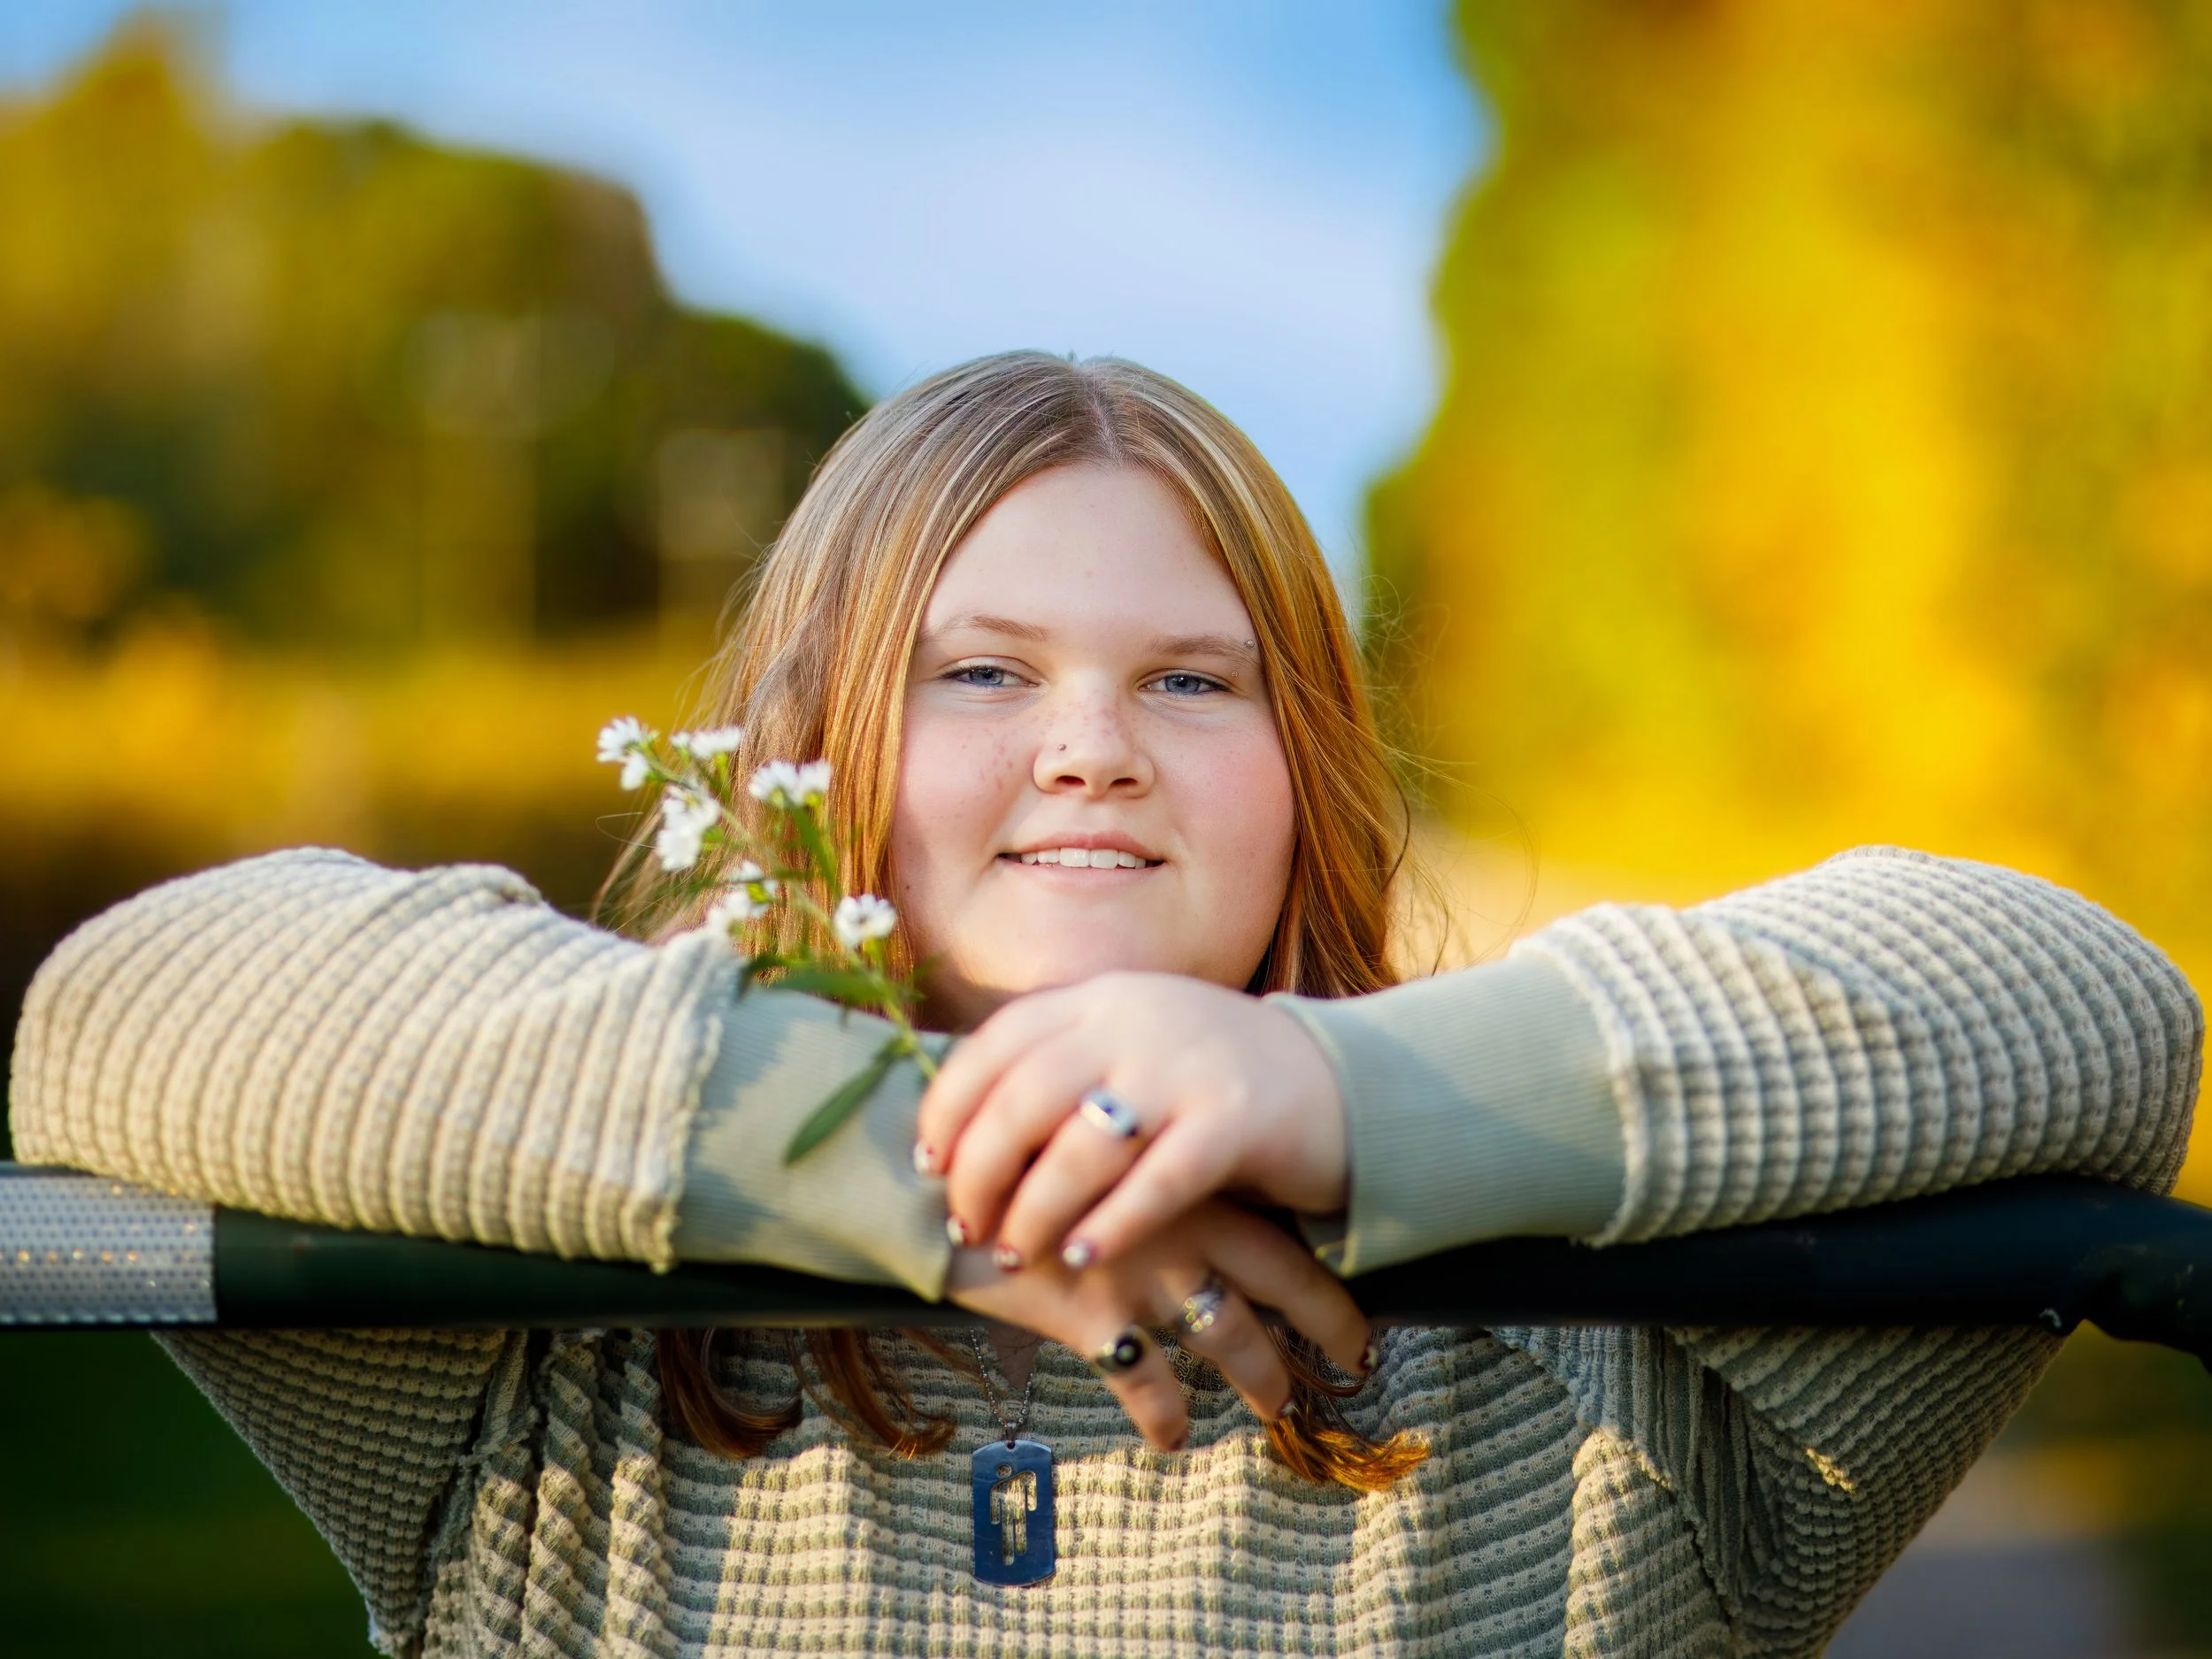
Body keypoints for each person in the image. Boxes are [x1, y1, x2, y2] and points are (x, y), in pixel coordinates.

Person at [10, 351, 2200, 1659]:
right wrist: (916, 1165)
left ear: (1305, 771)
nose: (1089, 746)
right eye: (979, 670)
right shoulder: (541, 1368)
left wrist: (1316, 1087)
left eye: (1191, 679)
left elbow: (2088, 1003)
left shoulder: (1609, 1378)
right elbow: (121, 1008)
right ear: (813, 749)